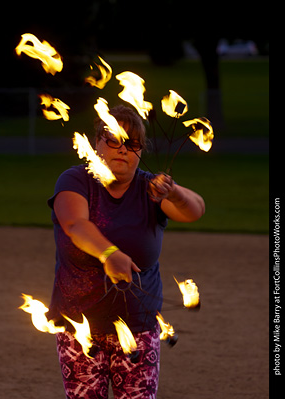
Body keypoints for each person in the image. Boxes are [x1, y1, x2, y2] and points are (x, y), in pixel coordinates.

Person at [47, 105, 205, 399]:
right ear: (97, 143)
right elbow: (75, 223)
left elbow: (194, 211)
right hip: (78, 323)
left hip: (140, 326)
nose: (123, 149)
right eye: (114, 139)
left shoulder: (150, 188)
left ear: (141, 150)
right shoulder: (75, 180)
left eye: (132, 143)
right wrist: (109, 254)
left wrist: (174, 192)